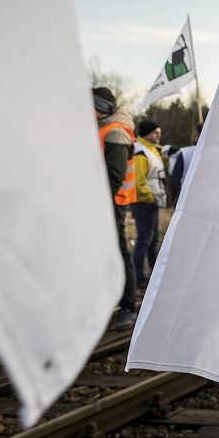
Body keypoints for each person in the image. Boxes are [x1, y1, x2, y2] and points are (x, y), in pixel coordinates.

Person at [93, 87, 137, 329]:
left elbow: (114, 175)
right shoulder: (106, 128)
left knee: (119, 253)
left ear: (100, 107)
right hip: (106, 202)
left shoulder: (115, 131)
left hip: (113, 203)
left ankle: (128, 308)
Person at [131, 120, 167, 287]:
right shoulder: (141, 153)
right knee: (145, 240)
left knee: (153, 239)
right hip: (144, 203)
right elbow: (138, 183)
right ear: (146, 133)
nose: (159, 135)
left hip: (152, 201)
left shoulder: (152, 150)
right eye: (155, 133)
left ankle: (154, 272)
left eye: (159, 132)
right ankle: (138, 276)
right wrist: (150, 197)